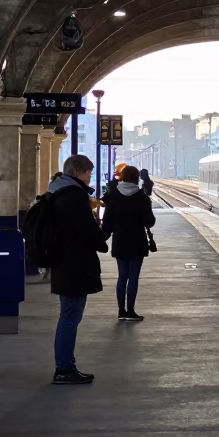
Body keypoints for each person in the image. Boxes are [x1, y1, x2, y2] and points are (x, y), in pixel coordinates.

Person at [45, 154, 109, 385]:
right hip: (73, 265)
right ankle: (63, 369)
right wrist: (103, 234)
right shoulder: (72, 196)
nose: (90, 180)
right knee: (70, 317)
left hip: (66, 264)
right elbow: (89, 233)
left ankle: (66, 364)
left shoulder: (58, 191)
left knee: (69, 316)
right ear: (77, 173)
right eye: (88, 175)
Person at [101, 164, 156, 321]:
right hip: (137, 241)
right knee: (133, 278)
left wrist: (101, 239)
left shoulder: (114, 197)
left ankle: (121, 311)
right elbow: (149, 222)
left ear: (122, 177)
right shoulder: (142, 198)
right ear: (136, 178)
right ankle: (131, 311)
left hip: (119, 240)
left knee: (122, 277)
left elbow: (107, 222)